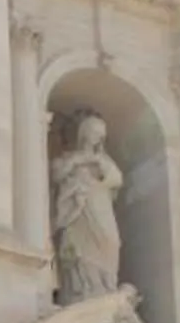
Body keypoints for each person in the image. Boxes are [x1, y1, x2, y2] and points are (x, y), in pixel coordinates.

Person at [50, 111, 125, 306]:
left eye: (101, 133)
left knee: (112, 242)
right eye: (94, 131)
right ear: (82, 133)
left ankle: (106, 288)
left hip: (100, 207)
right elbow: (57, 174)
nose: (98, 136)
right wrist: (80, 160)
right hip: (78, 210)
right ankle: (82, 290)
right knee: (79, 250)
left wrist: (97, 162)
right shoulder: (69, 158)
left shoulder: (104, 160)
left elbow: (116, 179)